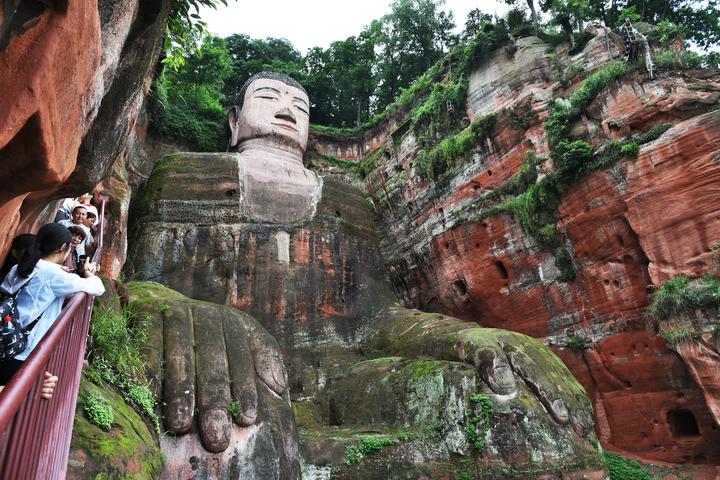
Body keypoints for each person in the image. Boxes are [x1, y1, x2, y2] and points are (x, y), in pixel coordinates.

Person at [0, 223, 105, 399]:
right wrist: (87, 271)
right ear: (63, 248)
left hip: (5, 338)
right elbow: (97, 287)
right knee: (14, 403)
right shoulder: (54, 275)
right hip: (23, 350)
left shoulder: (18, 267)